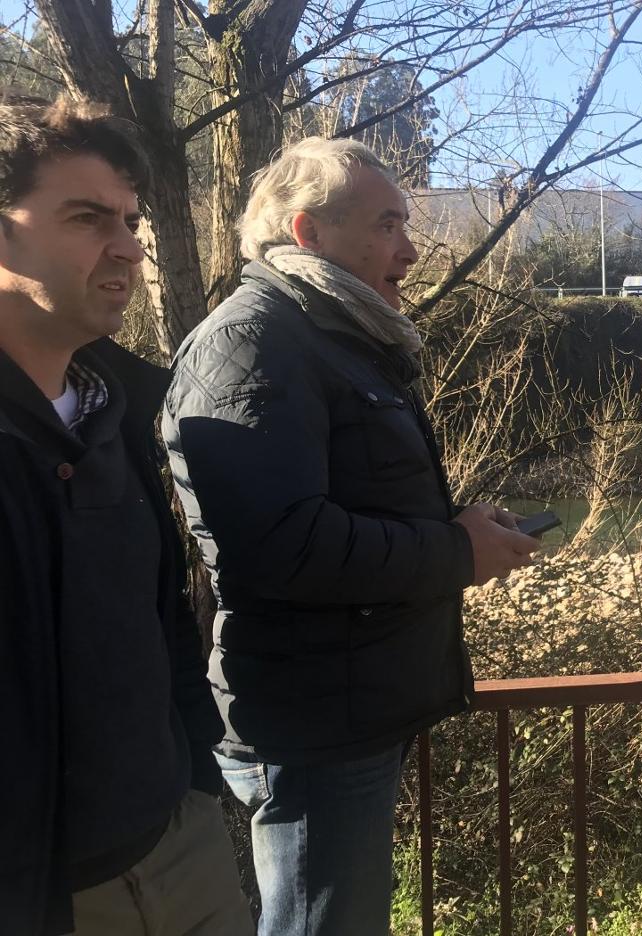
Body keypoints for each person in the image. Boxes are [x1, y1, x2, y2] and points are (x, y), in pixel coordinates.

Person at [162, 137, 540, 936]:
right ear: (308, 232)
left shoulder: (329, 337)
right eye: (387, 225)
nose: (410, 250)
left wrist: (464, 531)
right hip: (312, 729)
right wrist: (456, 553)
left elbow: (336, 512)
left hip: (343, 713)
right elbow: (284, 545)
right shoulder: (254, 341)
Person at [0, 95, 252, 935]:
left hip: (180, 846)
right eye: (86, 218)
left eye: (132, 221)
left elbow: (160, 621)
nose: (128, 247)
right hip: (40, 895)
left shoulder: (117, 411)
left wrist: (195, 778)